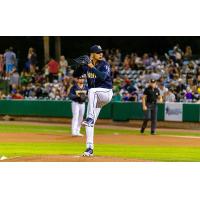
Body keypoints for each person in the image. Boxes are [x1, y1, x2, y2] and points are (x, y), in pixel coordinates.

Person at [73, 45, 113, 156]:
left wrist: (91, 67)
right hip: (96, 99)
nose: (101, 54)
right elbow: (75, 75)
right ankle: (89, 148)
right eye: (98, 52)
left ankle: (90, 117)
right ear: (92, 54)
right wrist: (80, 66)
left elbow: (103, 77)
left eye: (101, 52)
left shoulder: (104, 64)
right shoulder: (87, 65)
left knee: (91, 91)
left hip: (106, 93)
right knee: (89, 125)